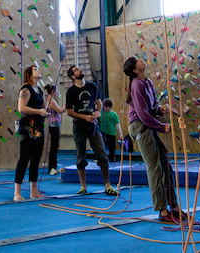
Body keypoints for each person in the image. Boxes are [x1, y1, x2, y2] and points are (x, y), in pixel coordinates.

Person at [124, 55, 181, 223]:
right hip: (140, 126)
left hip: (147, 124)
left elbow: (151, 106)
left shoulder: (147, 82)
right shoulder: (136, 84)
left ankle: (174, 206)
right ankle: (162, 210)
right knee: (155, 168)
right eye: (137, 60)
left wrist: (159, 109)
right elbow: (142, 113)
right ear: (135, 70)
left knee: (165, 164)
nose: (141, 60)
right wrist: (161, 127)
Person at [65, 65, 119, 196]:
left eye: (79, 68)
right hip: (79, 126)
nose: (80, 70)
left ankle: (107, 185)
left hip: (93, 126)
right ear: (73, 76)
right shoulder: (71, 91)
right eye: (76, 70)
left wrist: (98, 112)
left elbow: (98, 102)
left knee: (102, 154)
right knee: (80, 155)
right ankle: (83, 186)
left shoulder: (92, 86)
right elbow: (69, 111)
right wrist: (84, 117)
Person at [14, 65, 49, 201]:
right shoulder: (26, 89)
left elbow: (40, 106)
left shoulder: (38, 89)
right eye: (36, 69)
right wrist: (39, 111)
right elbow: (21, 108)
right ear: (29, 74)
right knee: (24, 157)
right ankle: (17, 192)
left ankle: (34, 190)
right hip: (27, 126)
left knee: (36, 158)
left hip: (38, 127)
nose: (39, 70)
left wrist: (44, 111)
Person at [42, 83, 64, 175]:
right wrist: (66, 106)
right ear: (52, 91)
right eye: (56, 90)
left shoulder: (50, 99)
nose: (57, 92)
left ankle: (54, 166)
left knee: (55, 146)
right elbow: (60, 111)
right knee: (54, 147)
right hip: (54, 125)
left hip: (55, 125)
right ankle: (51, 168)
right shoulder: (51, 100)